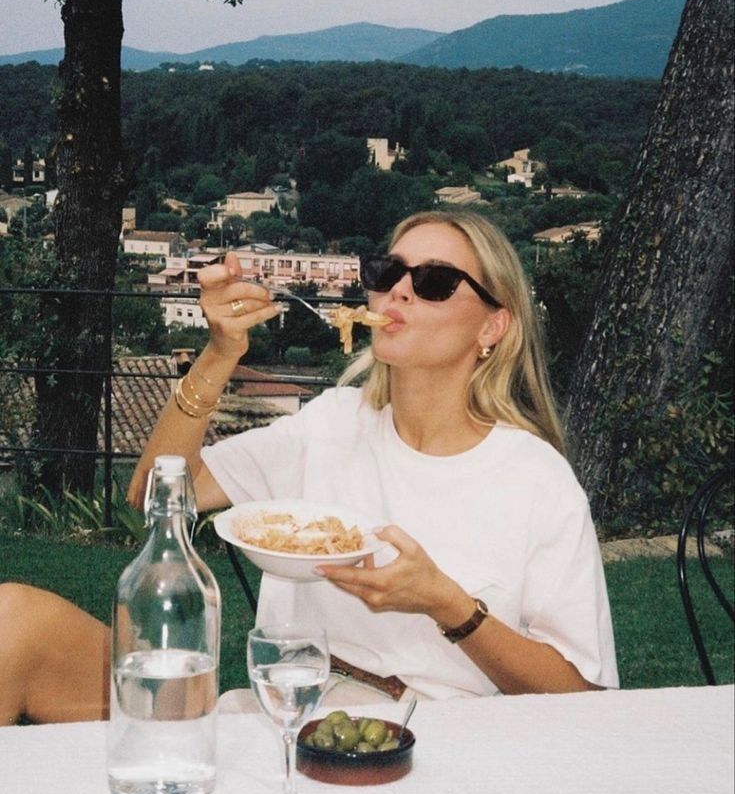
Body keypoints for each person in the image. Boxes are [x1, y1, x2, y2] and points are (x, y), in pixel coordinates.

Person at [0, 209, 617, 724]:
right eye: (387, 272)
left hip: (431, 740)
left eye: (433, 282)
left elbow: (585, 704)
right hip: (281, 708)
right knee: (12, 622)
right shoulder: (332, 422)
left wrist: (449, 607)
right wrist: (219, 353)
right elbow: (157, 494)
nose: (398, 291)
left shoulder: (535, 479)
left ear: (493, 325)